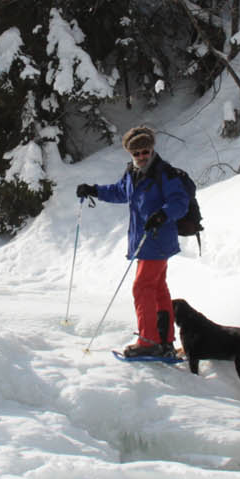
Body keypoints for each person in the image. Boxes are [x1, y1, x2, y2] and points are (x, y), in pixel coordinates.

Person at [76, 125, 193, 358]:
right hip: (144, 241)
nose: (141, 156)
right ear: (130, 153)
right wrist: (94, 190)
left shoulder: (164, 173)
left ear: (152, 150)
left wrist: (162, 215)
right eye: (136, 153)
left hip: (157, 241)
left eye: (145, 151)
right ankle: (164, 340)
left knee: (142, 288)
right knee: (157, 289)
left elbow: (180, 202)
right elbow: (120, 192)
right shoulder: (132, 173)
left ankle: (148, 341)